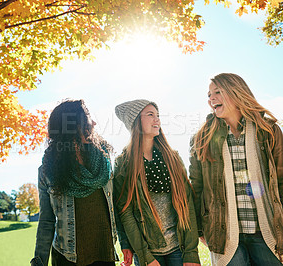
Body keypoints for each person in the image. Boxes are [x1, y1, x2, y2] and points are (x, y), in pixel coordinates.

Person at [189, 73, 283, 266]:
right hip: (225, 236)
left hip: (267, 234)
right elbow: (196, 188)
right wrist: (200, 230)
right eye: (209, 95)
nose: (211, 99)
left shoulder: (268, 131)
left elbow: (281, 180)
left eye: (217, 92)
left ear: (236, 92)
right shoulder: (203, 138)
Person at [30, 99, 118, 266]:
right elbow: (47, 221)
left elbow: (118, 205)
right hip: (67, 259)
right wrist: (39, 261)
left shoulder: (103, 160)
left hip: (105, 254)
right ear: (70, 125)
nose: (93, 123)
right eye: (86, 118)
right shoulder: (48, 171)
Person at [113, 99, 201, 266]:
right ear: (136, 122)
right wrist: (145, 256)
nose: (157, 120)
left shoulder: (172, 157)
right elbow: (125, 212)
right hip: (149, 252)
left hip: (178, 248)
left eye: (158, 115)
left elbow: (187, 204)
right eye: (150, 115)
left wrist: (191, 253)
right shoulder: (124, 164)